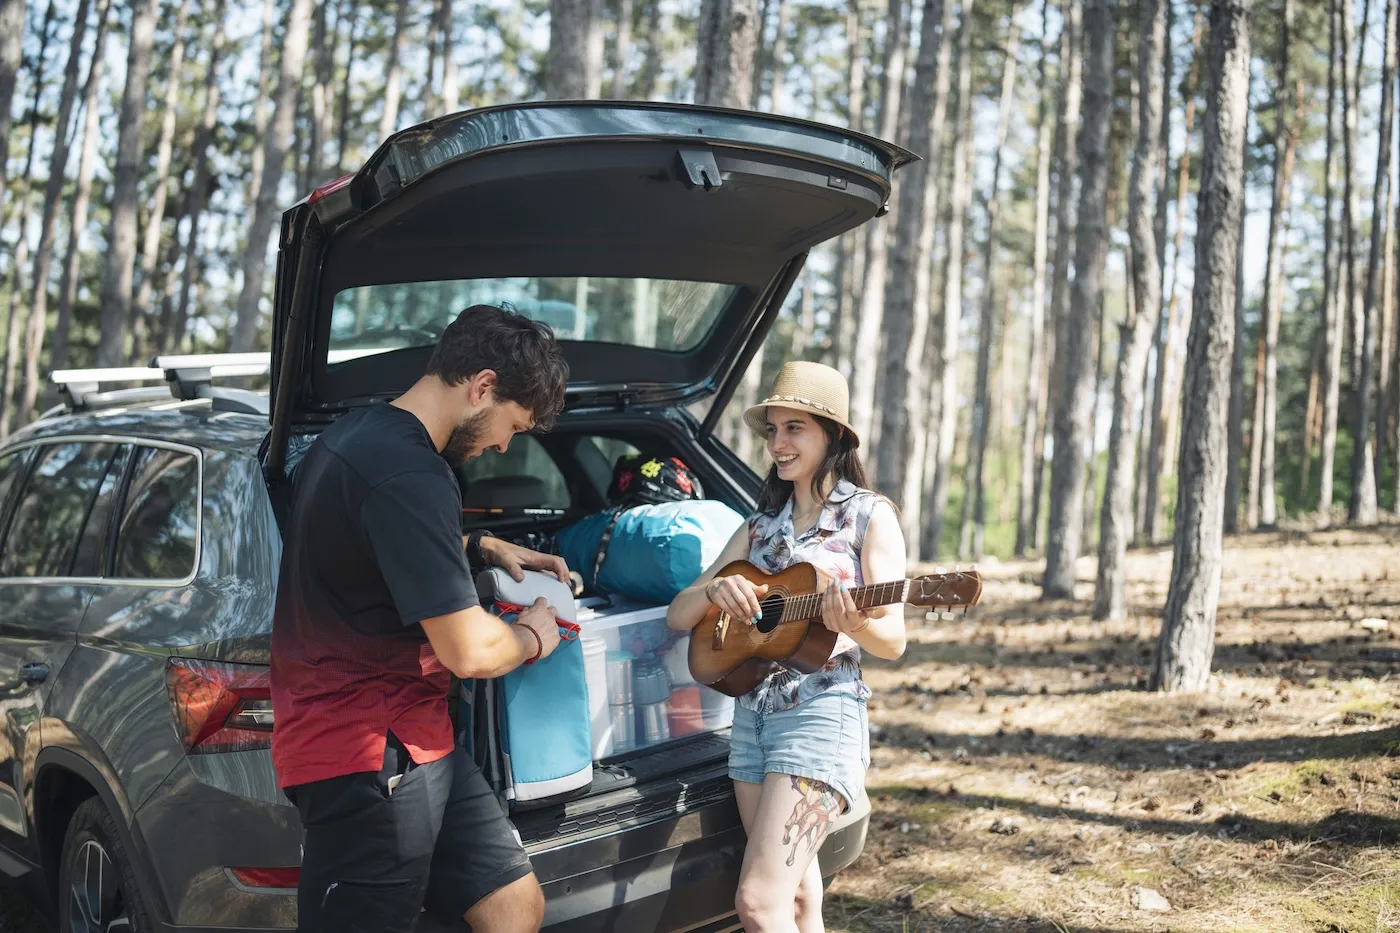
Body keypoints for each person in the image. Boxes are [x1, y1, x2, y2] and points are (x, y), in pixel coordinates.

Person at [270, 304, 572, 933]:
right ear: (481, 387)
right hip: (363, 757)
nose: (502, 446)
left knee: (511, 903)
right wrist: (531, 637)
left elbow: (366, 542)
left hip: (417, 736)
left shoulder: (357, 434)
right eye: (510, 427)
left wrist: (481, 546)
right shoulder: (412, 473)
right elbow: (467, 650)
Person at [666, 360, 908, 933]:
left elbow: (893, 640)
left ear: (833, 436)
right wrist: (715, 588)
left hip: (823, 717)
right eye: (772, 429)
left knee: (756, 901)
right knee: (797, 902)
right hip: (751, 718)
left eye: (794, 428)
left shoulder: (869, 516)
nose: (778, 442)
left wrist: (851, 619)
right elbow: (680, 614)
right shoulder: (759, 526)